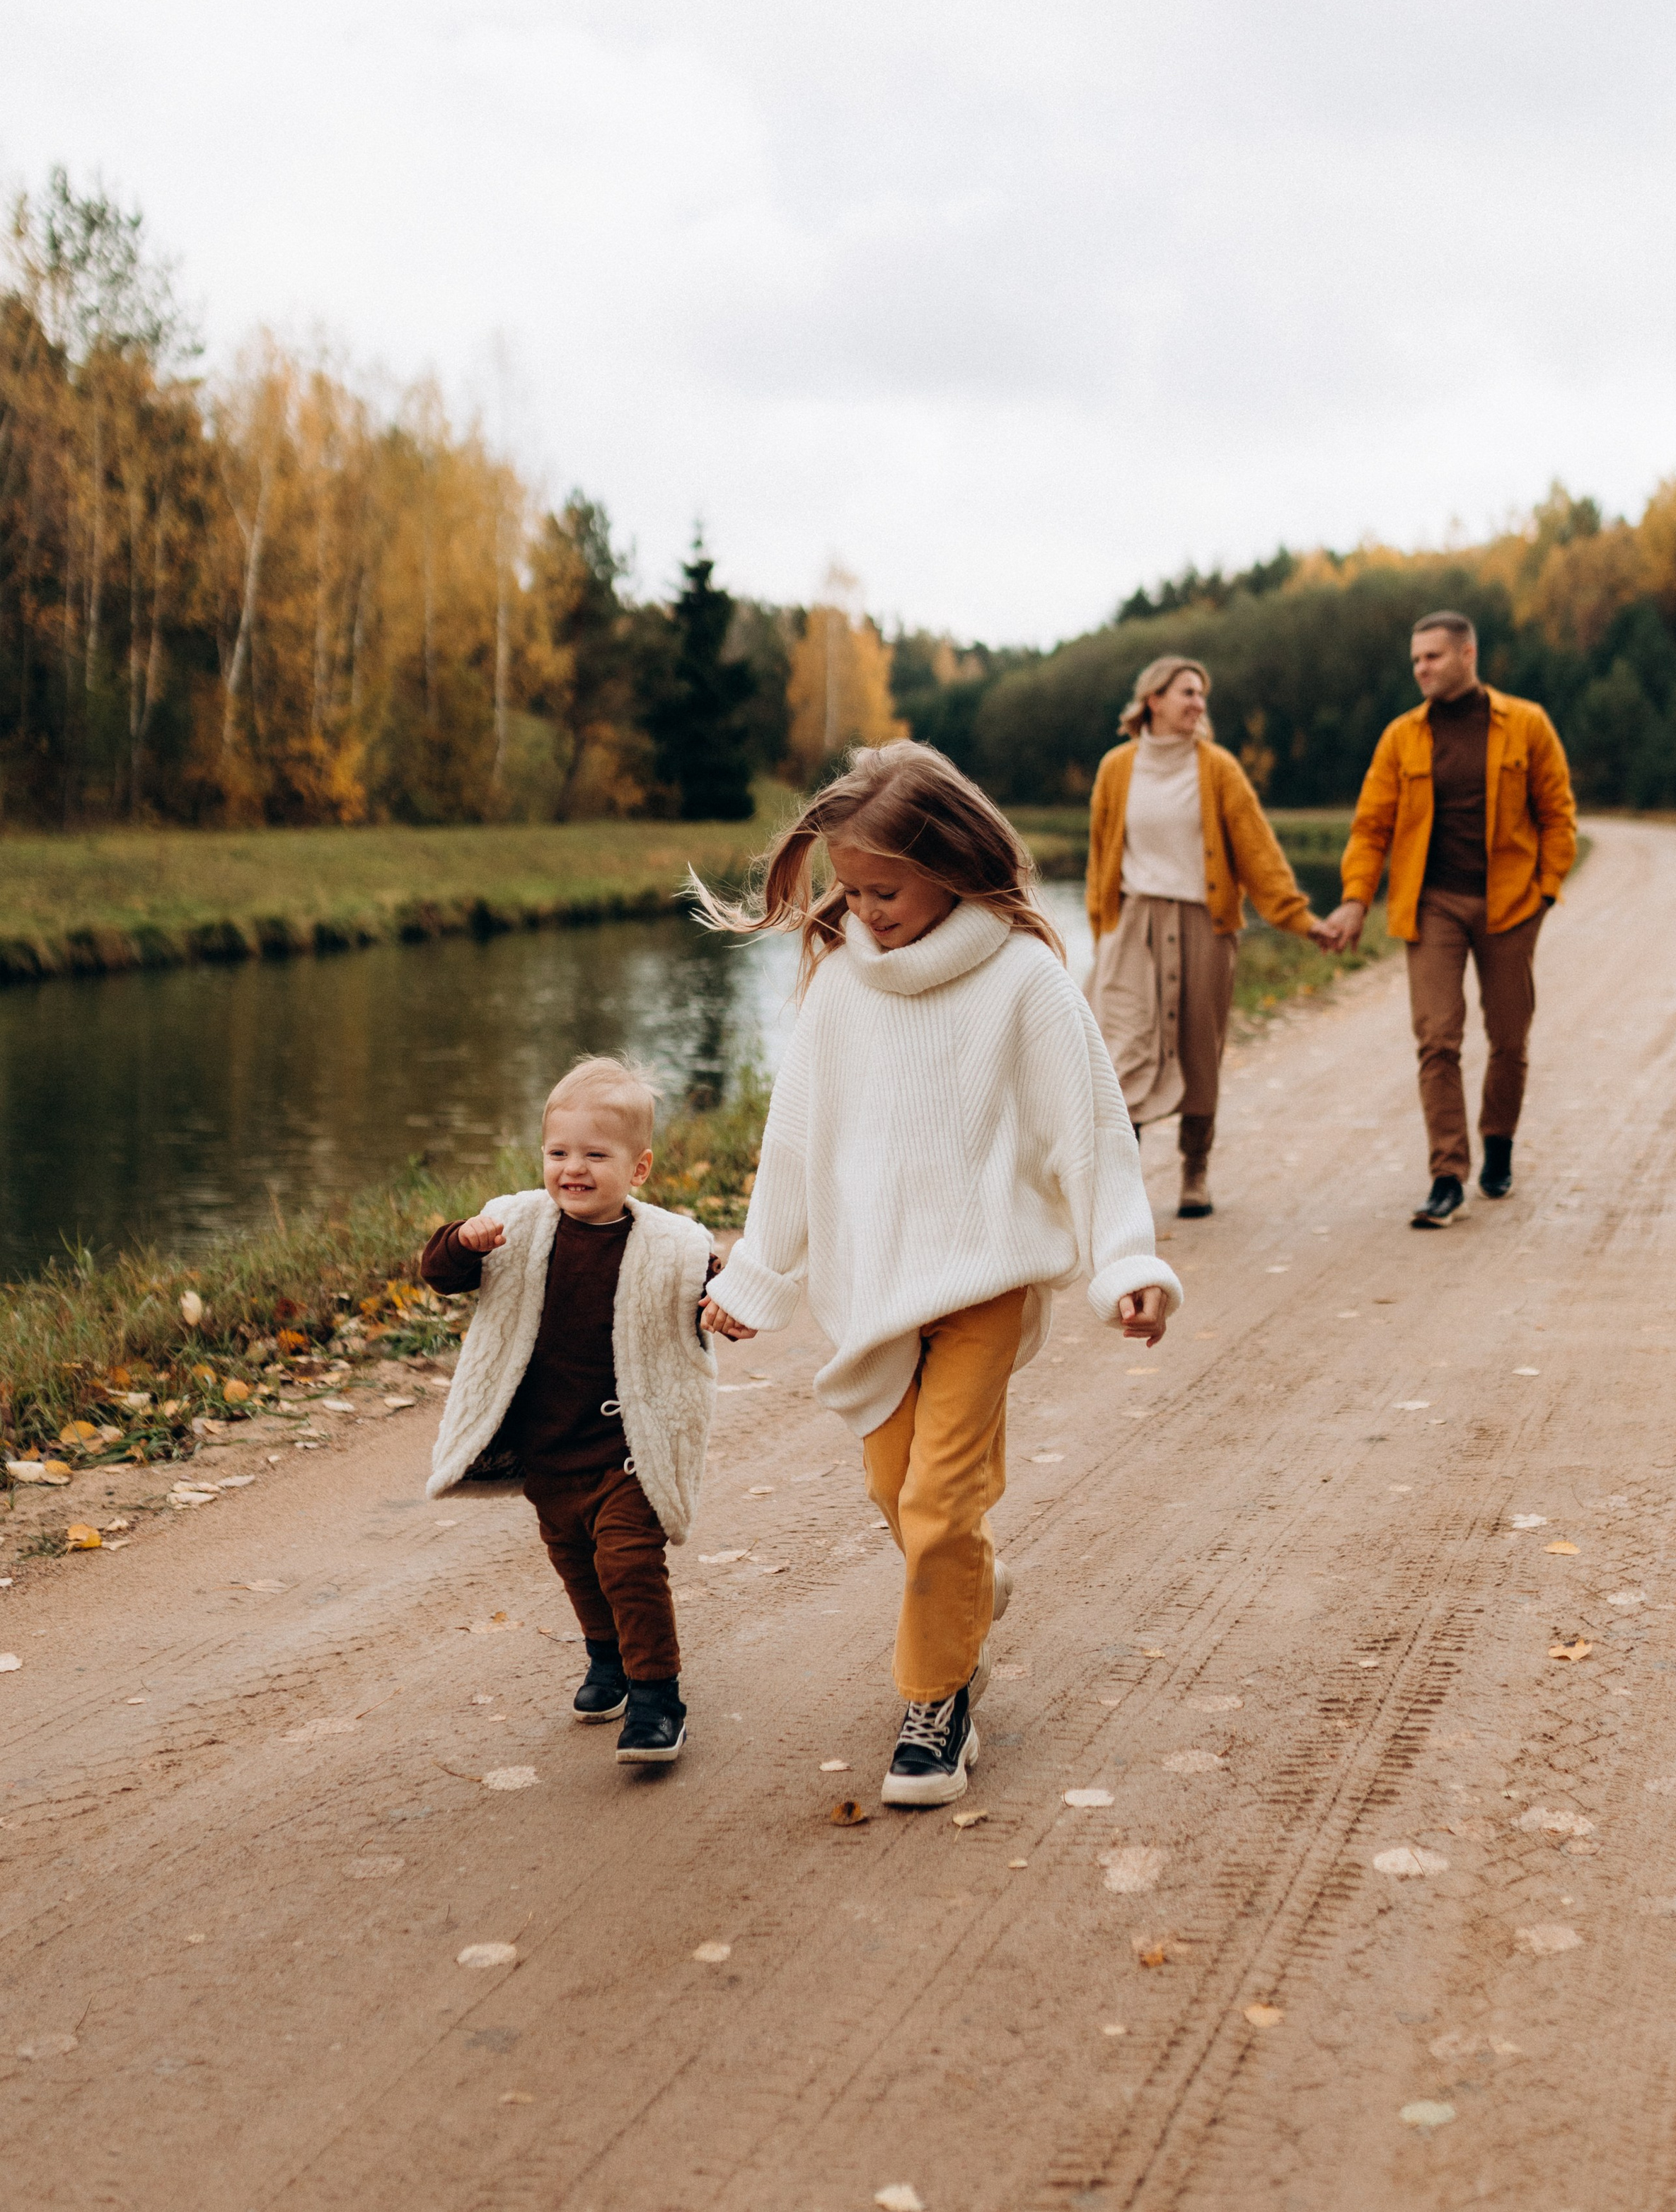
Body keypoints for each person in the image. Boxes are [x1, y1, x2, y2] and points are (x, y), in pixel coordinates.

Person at [693, 741, 1181, 1809]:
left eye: (884, 890)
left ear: (952, 862)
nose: (863, 911)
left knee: (940, 1495)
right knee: (900, 1497)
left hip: (984, 1286)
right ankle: (966, 1587)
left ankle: (937, 1703)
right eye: (849, 890)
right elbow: (797, 1139)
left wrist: (1127, 1261)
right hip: (876, 1290)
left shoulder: (1025, 979)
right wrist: (760, 1272)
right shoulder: (841, 989)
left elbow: (1091, 1134)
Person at [422, 1054, 717, 1764]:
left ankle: (656, 1696)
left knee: (629, 1563)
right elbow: (440, 1274)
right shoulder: (514, 1225)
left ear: (638, 1167)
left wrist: (726, 1306)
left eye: (595, 1154)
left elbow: (711, 1288)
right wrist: (463, 1240)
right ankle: (607, 1658)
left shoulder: (670, 1243)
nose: (572, 1168)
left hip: (628, 1450)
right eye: (558, 1152)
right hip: (550, 1449)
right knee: (578, 1564)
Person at [1315, 610, 1577, 1229]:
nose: (1421, 670)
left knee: (1509, 1037)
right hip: (1431, 905)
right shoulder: (1401, 737)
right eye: (1415, 660)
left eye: (1432, 657)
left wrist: (1543, 893)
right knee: (1438, 1037)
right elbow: (1371, 825)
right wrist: (1356, 897)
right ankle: (1447, 1175)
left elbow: (1558, 816)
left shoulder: (1527, 724)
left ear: (1467, 654)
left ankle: (1500, 1144)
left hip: (1510, 904)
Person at [1085, 654, 1315, 1217]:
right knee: (1124, 1049)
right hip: (1133, 923)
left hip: (1204, 925)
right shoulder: (1117, 767)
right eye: (1187, 692)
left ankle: (1195, 1171)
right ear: (1153, 700)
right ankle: (1123, 1185)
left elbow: (1257, 852)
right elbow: (1099, 857)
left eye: (1203, 696)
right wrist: (1102, 931)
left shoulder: (1218, 769)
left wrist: (1299, 917)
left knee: (1198, 1050)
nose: (1198, 704)